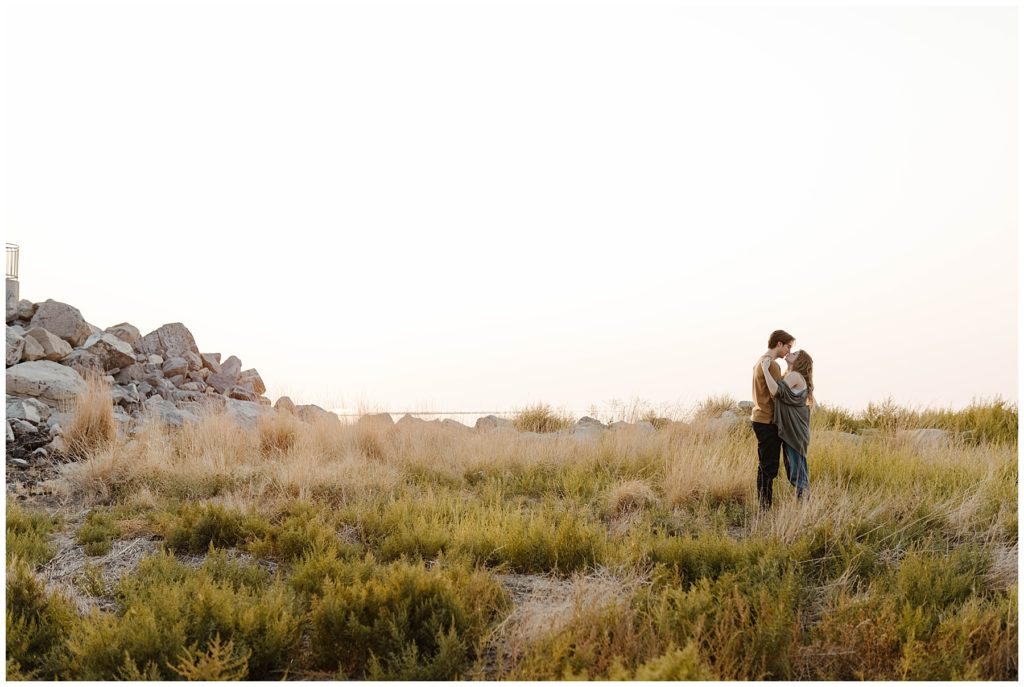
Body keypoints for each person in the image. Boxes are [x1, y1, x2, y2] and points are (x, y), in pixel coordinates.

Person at [760, 349, 814, 499]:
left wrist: (765, 369)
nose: (790, 353)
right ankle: (803, 505)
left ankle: (805, 507)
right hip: (793, 430)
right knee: (794, 470)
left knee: (797, 473)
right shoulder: (789, 376)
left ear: (799, 361)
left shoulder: (795, 376)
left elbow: (775, 390)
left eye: (794, 354)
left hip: (796, 432)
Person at [750, 330, 794, 510]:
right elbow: (780, 393)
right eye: (788, 346)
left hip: (759, 418)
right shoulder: (772, 366)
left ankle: (764, 506)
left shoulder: (760, 362)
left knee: (765, 465)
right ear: (779, 344)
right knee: (769, 467)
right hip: (767, 420)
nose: (789, 351)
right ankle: (765, 508)